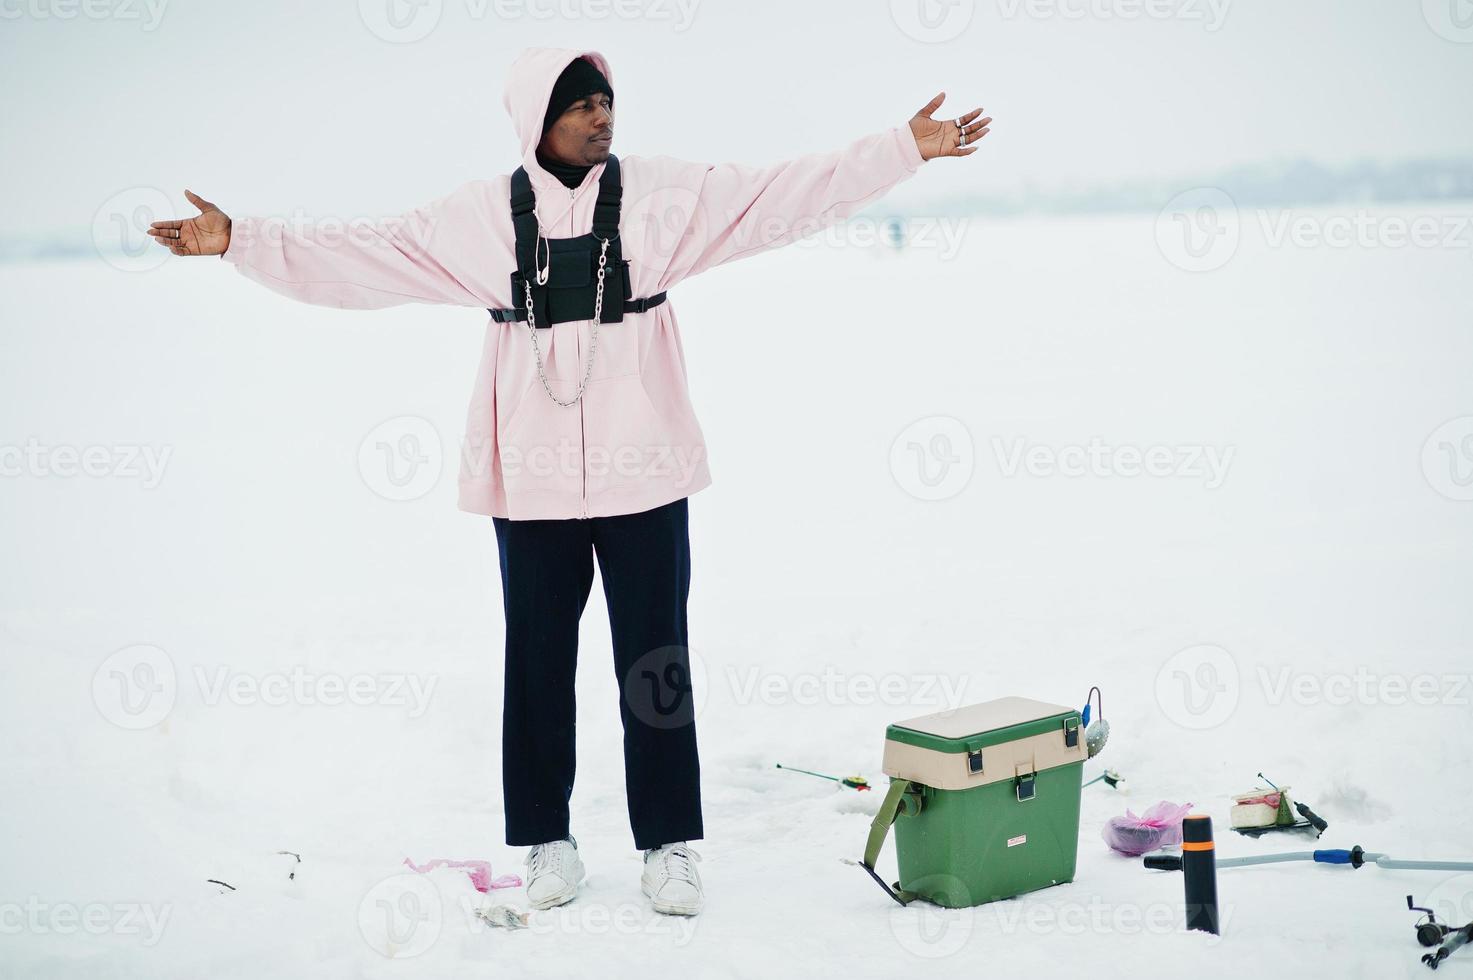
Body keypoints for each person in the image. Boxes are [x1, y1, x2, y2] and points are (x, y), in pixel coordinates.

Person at [147, 46, 989, 917]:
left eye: (606, 102)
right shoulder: (479, 219)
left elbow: (780, 192)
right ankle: (548, 841)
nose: (600, 117)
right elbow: (366, 254)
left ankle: (669, 845)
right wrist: (240, 240)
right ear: (533, 121)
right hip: (533, 480)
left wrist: (901, 148)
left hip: (645, 471)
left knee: (654, 661)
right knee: (537, 662)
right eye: (578, 105)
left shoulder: (664, 198)